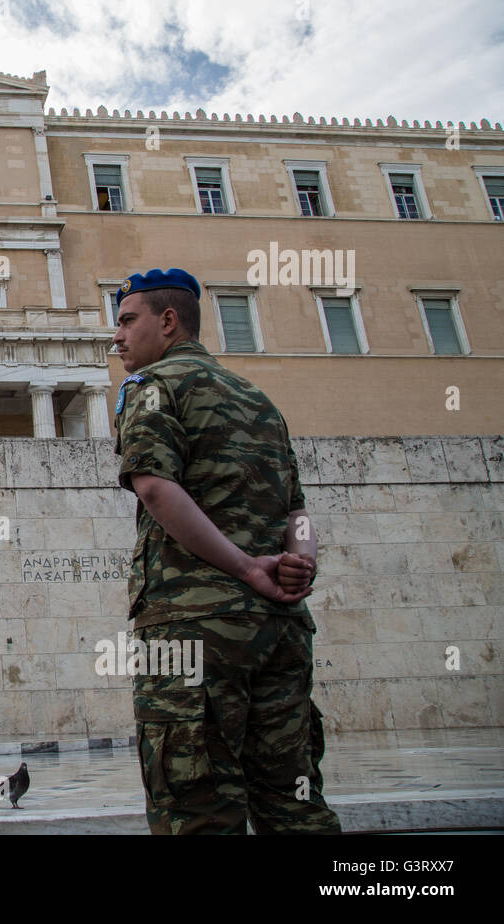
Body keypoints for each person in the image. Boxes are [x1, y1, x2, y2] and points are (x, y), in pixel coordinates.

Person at [111, 267, 341, 835]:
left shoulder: (154, 387)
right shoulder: (260, 401)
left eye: (126, 320)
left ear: (168, 322)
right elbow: (299, 513)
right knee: (293, 801)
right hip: (281, 630)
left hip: (196, 627)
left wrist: (244, 568)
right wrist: (297, 563)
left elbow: (156, 487)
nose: (116, 336)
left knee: (197, 807)